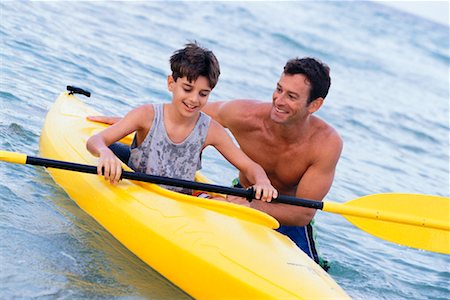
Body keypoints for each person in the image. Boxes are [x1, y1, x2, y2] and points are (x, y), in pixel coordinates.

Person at [88, 56, 342, 270]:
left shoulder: (326, 144)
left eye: (292, 96)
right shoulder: (244, 115)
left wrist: (251, 205)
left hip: (288, 216)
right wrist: (130, 122)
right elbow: (182, 114)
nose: (278, 100)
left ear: (314, 105)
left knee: (307, 273)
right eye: (278, 89)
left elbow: (303, 213)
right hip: (240, 195)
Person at [86, 42, 277, 202]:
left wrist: (262, 181)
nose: (194, 99)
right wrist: (105, 152)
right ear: (171, 83)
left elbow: (250, 166)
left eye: (203, 94)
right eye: (187, 89)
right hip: (137, 189)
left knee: (226, 201)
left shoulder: (210, 130)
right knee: (116, 150)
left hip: (178, 202)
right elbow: (95, 141)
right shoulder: (146, 115)